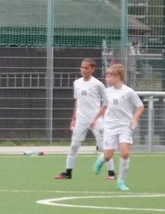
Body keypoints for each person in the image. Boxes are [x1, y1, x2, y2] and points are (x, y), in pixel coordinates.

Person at [56, 58, 115, 180]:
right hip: (81, 120)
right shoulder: (77, 83)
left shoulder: (98, 84)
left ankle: (111, 173)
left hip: (96, 120)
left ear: (93, 69)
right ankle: (68, 173)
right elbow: (77, 101)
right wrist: (74, 118)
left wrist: (97, 118)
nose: (83, 70)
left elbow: (106, 103)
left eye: (86, 68)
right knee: (74, 146)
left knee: (103, 147)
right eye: (82, 67)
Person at [92, 63, 144, 192]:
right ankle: (102, 159)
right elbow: (104, 107)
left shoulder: (128, 91)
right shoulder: (106, 92)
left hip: (125, 125)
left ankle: (121, 182)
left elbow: (140, 107)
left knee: (125, 153)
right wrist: (95, 119)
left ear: (118, 76)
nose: (106, 78)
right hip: (110, 126)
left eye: (109, 76)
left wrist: (134, 118)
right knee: (108, 155)